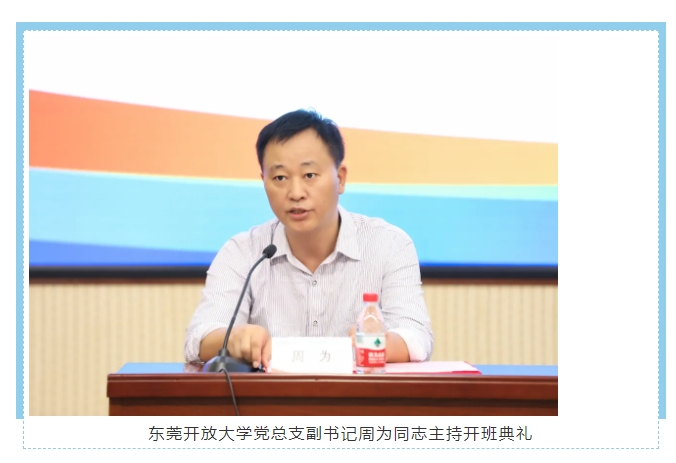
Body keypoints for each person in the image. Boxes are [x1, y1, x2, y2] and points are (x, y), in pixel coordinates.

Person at [184, 109, 433, 369]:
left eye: (309, 175)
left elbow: (416, 337)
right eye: (280, 178)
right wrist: (234, 338)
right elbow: (199, 336)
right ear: (264, 181)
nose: (295, 193)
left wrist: (377, 343)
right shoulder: (243, 252)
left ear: (340, 178)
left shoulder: (389, 245)